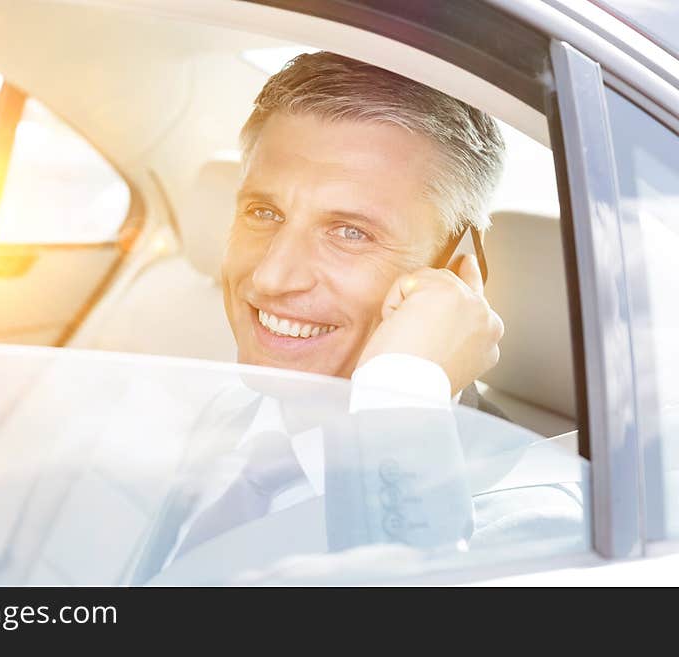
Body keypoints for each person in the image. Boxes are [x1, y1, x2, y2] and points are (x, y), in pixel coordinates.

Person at [128, 52, 587, 584]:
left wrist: (400, 389)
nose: (272, 277)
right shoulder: (225, 416)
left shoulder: (533, 527)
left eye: (351, 232)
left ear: (458, 273)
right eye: (264, 213)